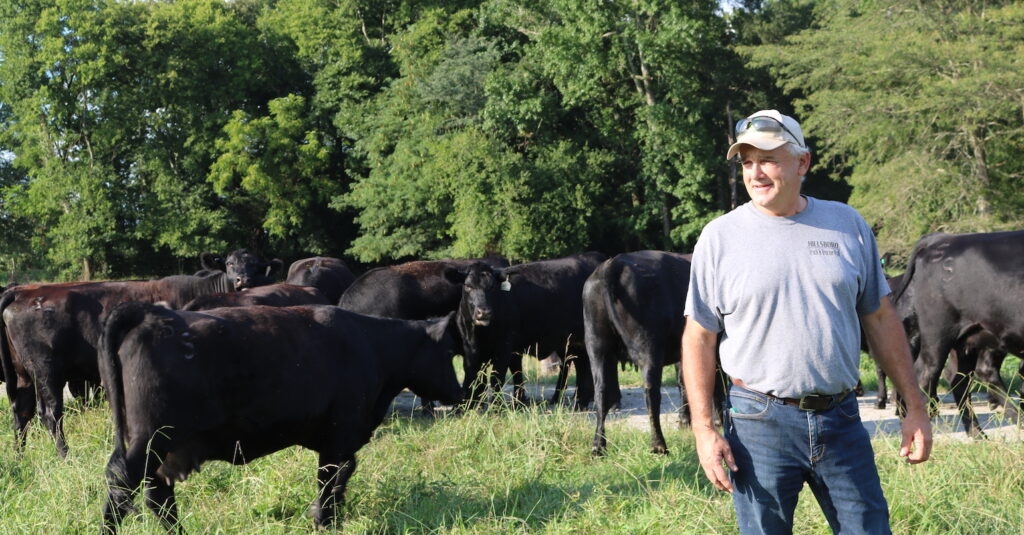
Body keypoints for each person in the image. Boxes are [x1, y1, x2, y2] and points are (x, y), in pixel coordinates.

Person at [681, 109, 932, 534]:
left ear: (802, 162)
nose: (755, 173)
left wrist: (915, 407)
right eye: (747, 162)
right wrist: (704, 430)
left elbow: (880, 317)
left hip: (841, 419)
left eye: (768, 159)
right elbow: (699, 336)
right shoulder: (719, 238)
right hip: (759, 422)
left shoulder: (846, 225)